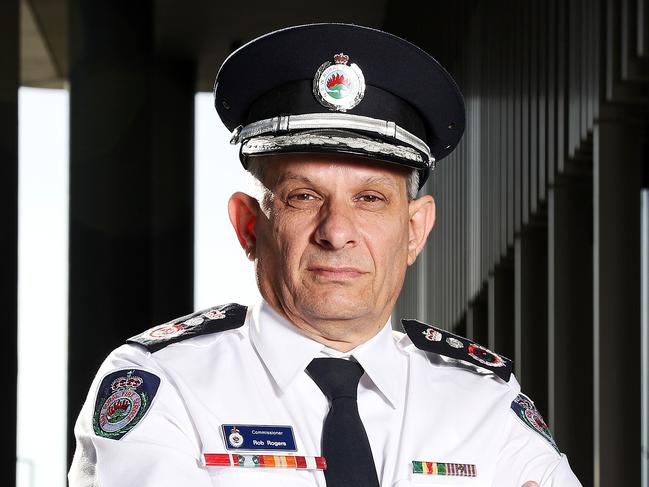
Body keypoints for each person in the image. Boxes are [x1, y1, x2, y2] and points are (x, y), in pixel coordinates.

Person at [68, 23, 582, 487]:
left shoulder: (483, 401)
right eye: (303, 196)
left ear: (414, 229)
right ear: (250, 226)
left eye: (370, 199)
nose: (337, 232)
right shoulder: (163, 384)